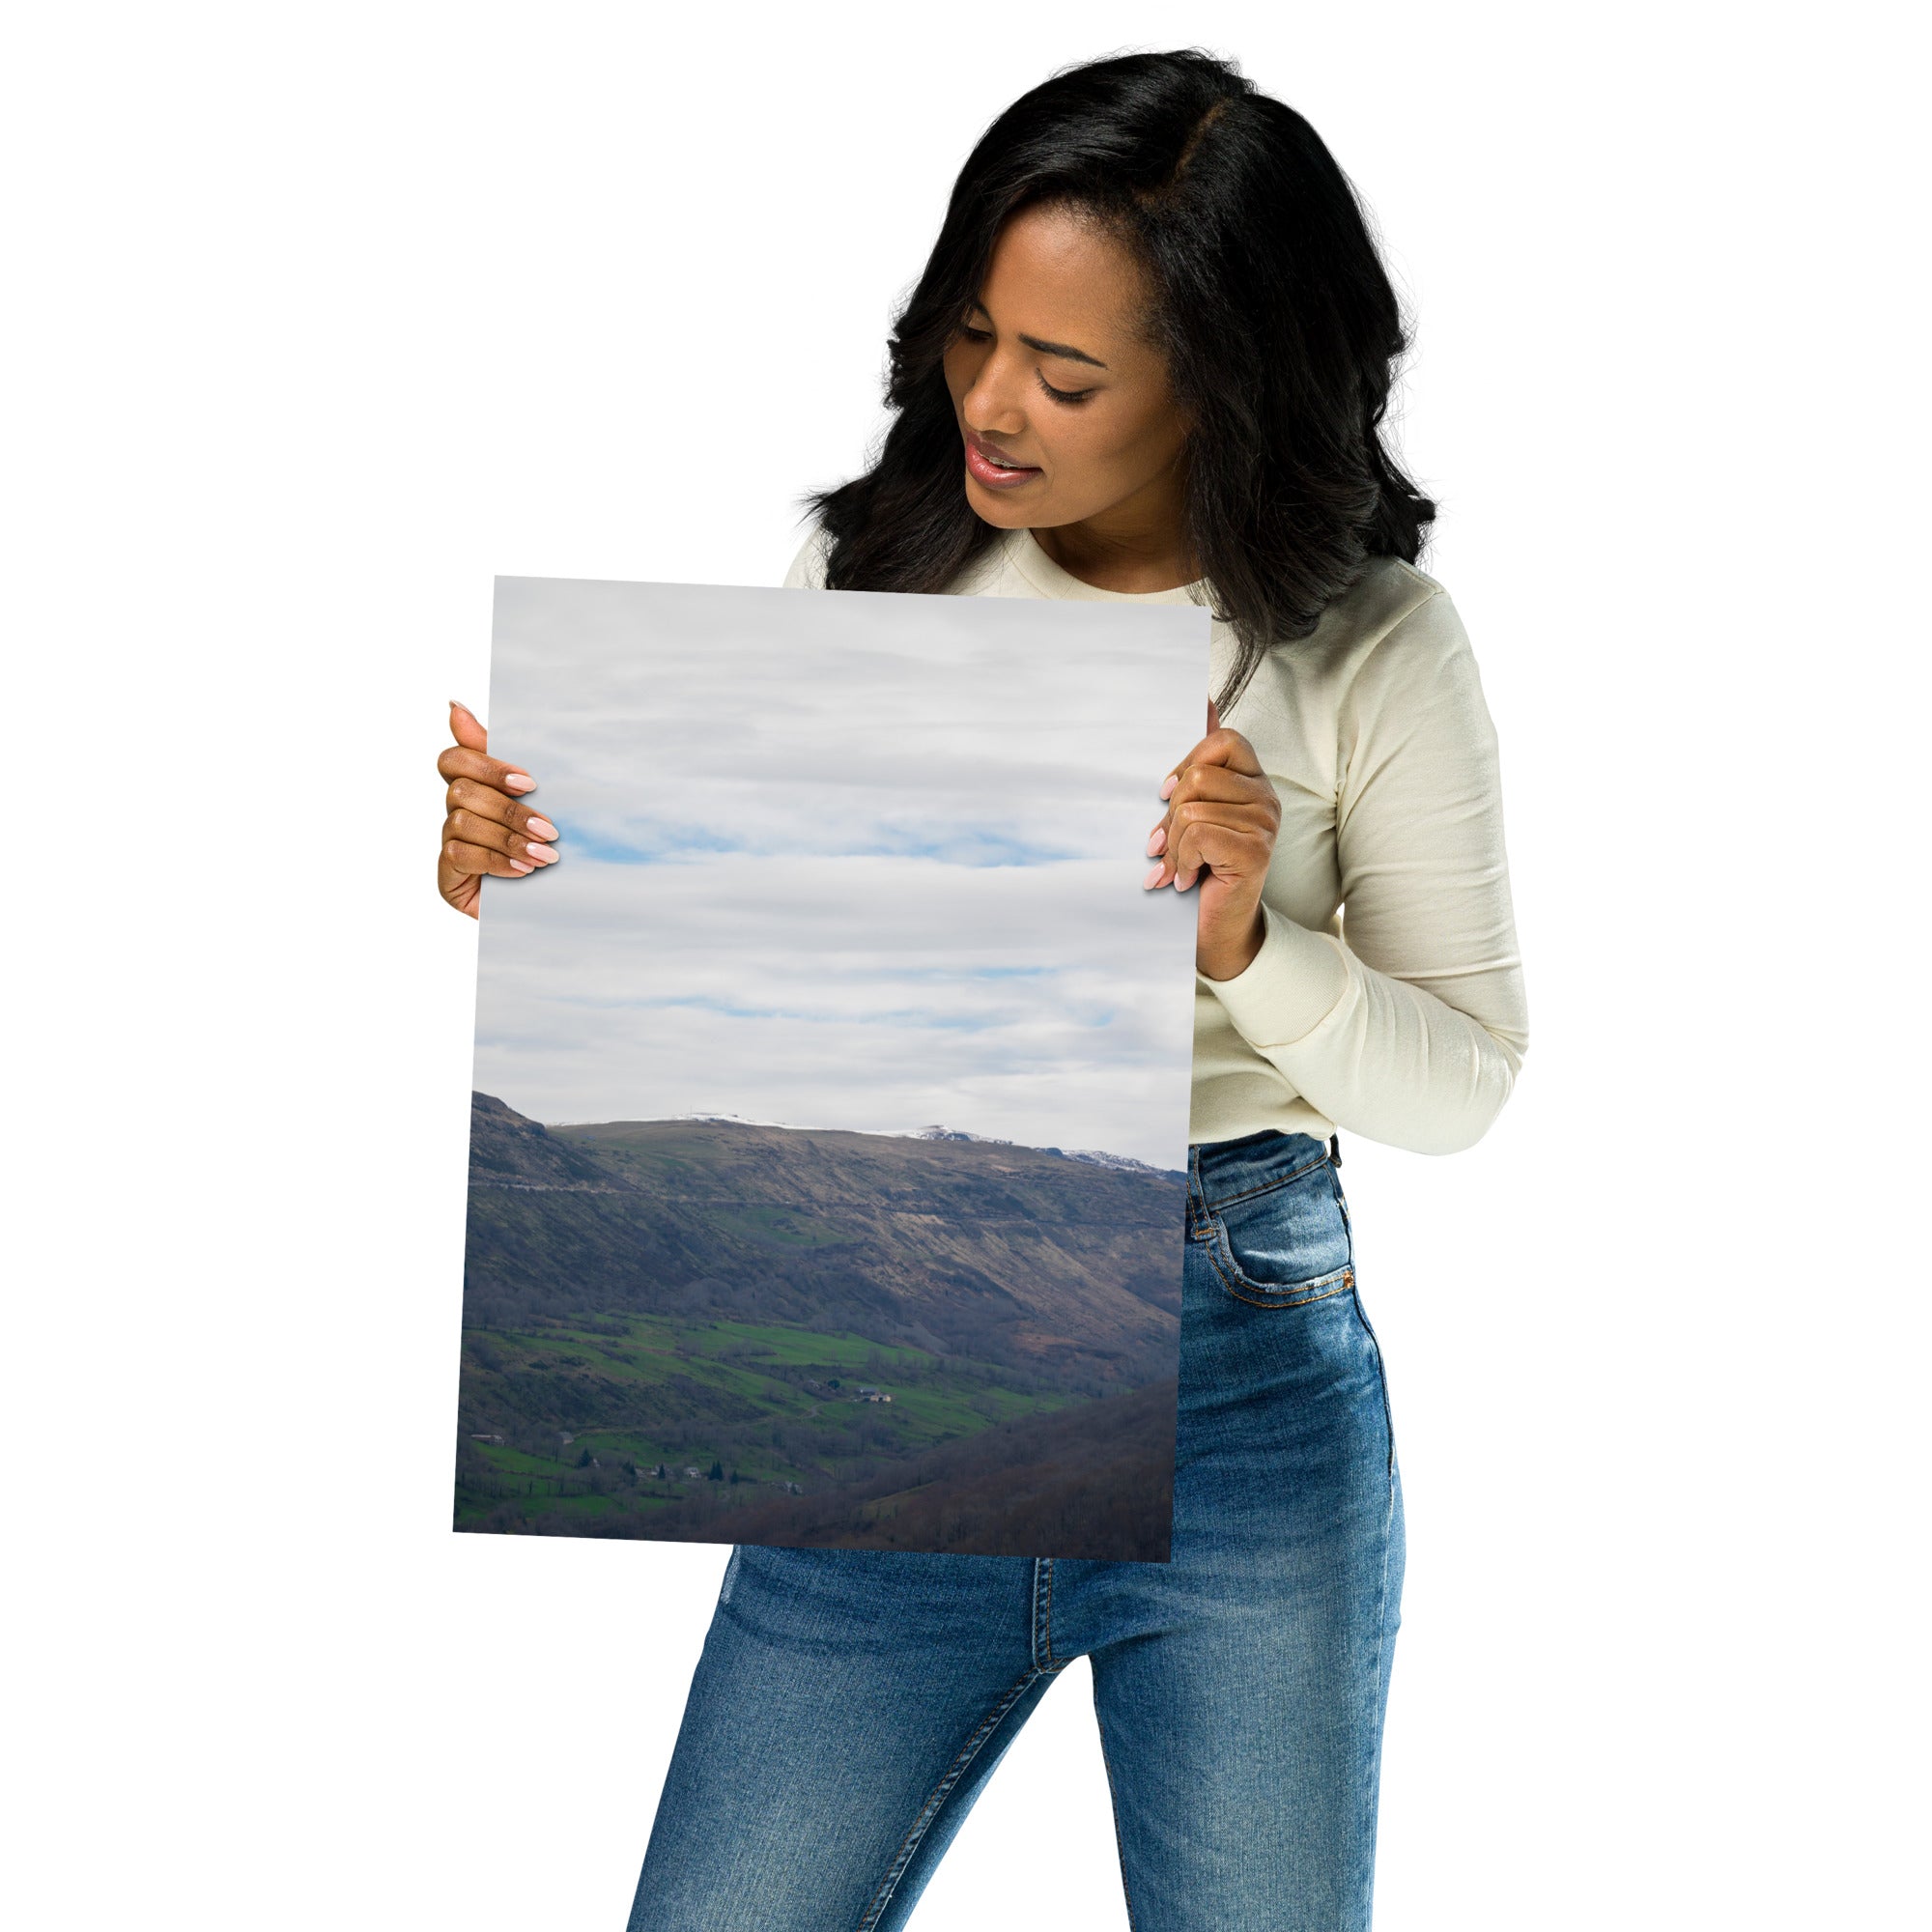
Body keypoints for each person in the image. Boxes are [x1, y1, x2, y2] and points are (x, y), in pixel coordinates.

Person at [437, 48, 1528, 1932]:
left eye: (1068, 371)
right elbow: (748, 960)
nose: (990, 403)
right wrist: (526, 878)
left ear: (1222, 384)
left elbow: (1463, 1087)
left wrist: (1247, 943)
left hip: (1245, 1393)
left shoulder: (1369, 644)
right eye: (969, 336)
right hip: (891, 1408)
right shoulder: (873, 571)